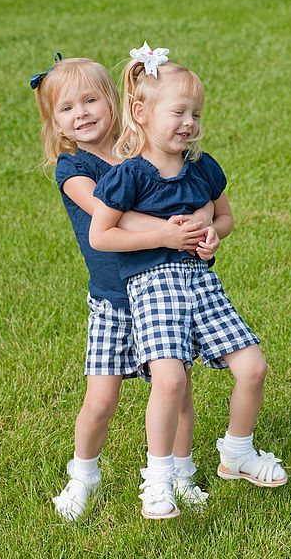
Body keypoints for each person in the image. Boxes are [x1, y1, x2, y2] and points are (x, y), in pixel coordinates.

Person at [89, 42, 288, 520]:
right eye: (178, 112)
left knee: (253, 367)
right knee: (171, 380)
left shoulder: (203, 168)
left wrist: (212, 238)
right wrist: (163, 235)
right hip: (153, 286)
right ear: (141, 112)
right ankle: (158, 480)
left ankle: (237, 452)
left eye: (196, 114)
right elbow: (102, 235)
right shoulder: (130, 176)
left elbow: (226, 219)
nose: (189, 123)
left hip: (201, 284)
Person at [31, 54, 213, 521]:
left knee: (178, 389)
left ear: (115, 102)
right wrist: (172, 232)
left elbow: (190, 186)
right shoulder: (73, 168)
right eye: (67, 109)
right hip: (114, 302)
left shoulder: (139, 155)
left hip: (160, 289)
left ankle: (180, 474)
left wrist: (201, 223)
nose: (82, 114)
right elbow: (109, 216)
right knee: (101, 398)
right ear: (55, 122)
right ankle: (83, 477)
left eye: (91, 100)